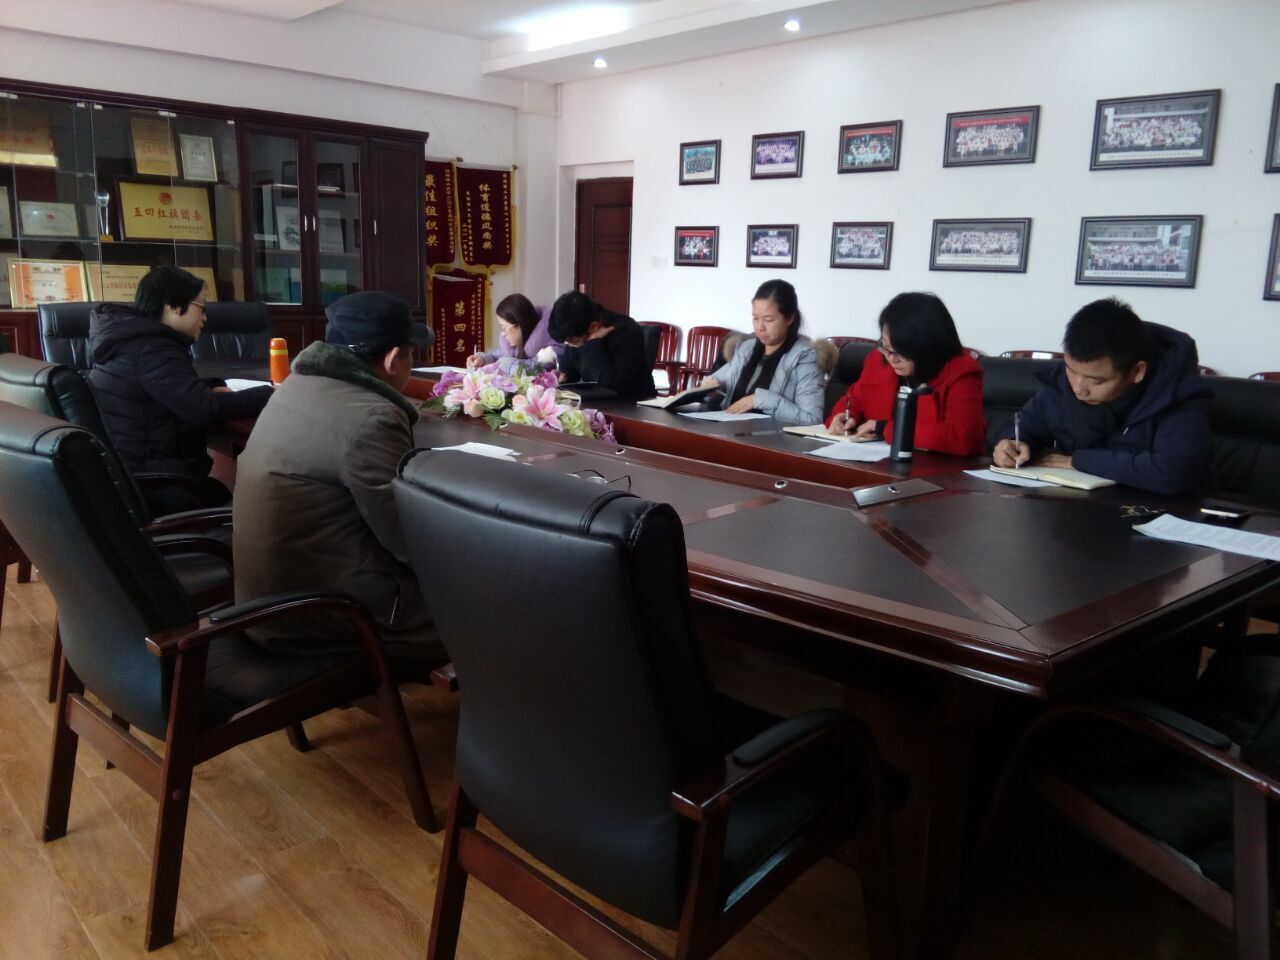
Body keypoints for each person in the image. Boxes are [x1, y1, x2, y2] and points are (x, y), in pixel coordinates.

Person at [232, 291, 446, 660]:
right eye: (412, 353)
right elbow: (406, 537)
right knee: (489, 608)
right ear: (393, 358)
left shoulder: (297, 383)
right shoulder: (373, 417)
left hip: (265, 600)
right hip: (319, 614)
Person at [88, 265, 273, 510]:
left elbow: (161, 388)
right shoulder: (152, 349)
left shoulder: (130, 339)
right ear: (173, 307)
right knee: (258, 501)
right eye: (201, 307)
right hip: (159, 488)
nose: (205, 317)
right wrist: (272, 393)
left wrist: (209, 386)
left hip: (131, 477)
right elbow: (203, 409)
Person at [992, 297, 1211, 495]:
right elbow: (1023, 426)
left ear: (1137, 372)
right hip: (1074, 507)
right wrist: (1011, 445)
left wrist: (1079, 461)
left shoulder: (1178, 393)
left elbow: (1173, 472)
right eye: (1070, 370)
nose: (1078, 388)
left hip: (1152, 512)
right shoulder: (1062, 383)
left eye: (1096, 381)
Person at [826, 292, 984, 454]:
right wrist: (845, 417)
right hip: (878, 461)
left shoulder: (960, 372)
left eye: (901, 351)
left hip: (936, 467)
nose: (891, 359)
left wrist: (886, 429)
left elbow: (962, 438)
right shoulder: (878, 362)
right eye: (886, 347)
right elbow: (854, 401)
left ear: (929, 347)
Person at [700, 279, 824, 426]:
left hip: (769, 437)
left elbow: (812, 419)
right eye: (755, 318)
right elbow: (718, 380)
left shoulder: (805, 359)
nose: (760, 327)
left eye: (769, 320)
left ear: (790, 318)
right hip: (729, 431)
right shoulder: (746, 349)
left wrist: (759, 400)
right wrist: (710, 386)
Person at [547, 291, 656, 399]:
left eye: (573, 341)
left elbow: (611, 385)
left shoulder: (627, 332)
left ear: (593, 327)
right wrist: (563, 377)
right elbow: (571, 369)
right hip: (598, 401)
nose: (570, 345)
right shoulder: (578, 328)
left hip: (633, 403)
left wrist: (593, 343)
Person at [465, 293, 563, 370]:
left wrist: (506, 364)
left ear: (519, 325)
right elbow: (495, 356)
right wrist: (482, 359)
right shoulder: (516, 347)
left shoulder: (552, 349)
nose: (503, 334)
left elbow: (534, 368)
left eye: (504, 328)